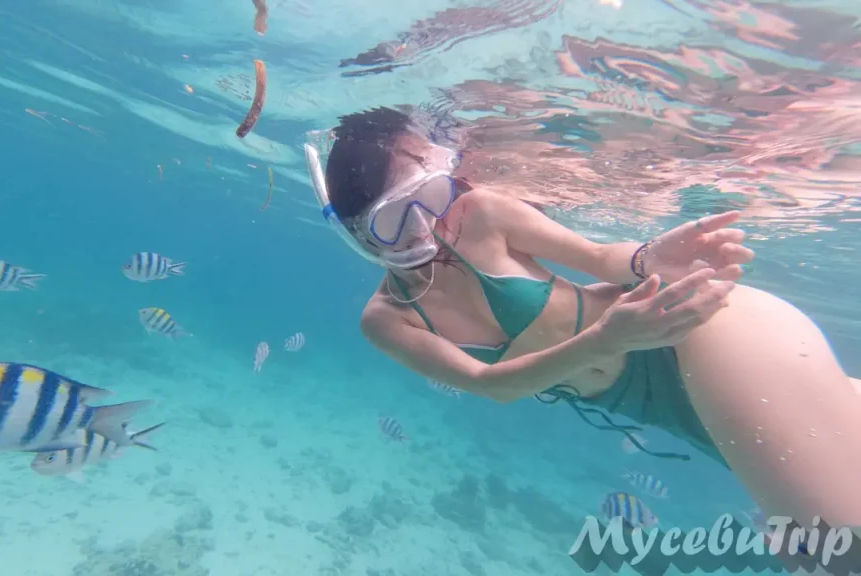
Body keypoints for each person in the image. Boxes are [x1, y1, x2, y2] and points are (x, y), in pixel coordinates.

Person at [304, 107, 861, 534]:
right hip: (669, 391)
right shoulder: (386, 320)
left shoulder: (482, 211)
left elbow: (598, 259)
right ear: (353, 230)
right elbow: (490, 385)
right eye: (396, 219)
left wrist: (648, 258)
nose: (428, 227)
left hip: (699, 335)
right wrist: (606, 338)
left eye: (433, 193)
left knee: (835, 545)